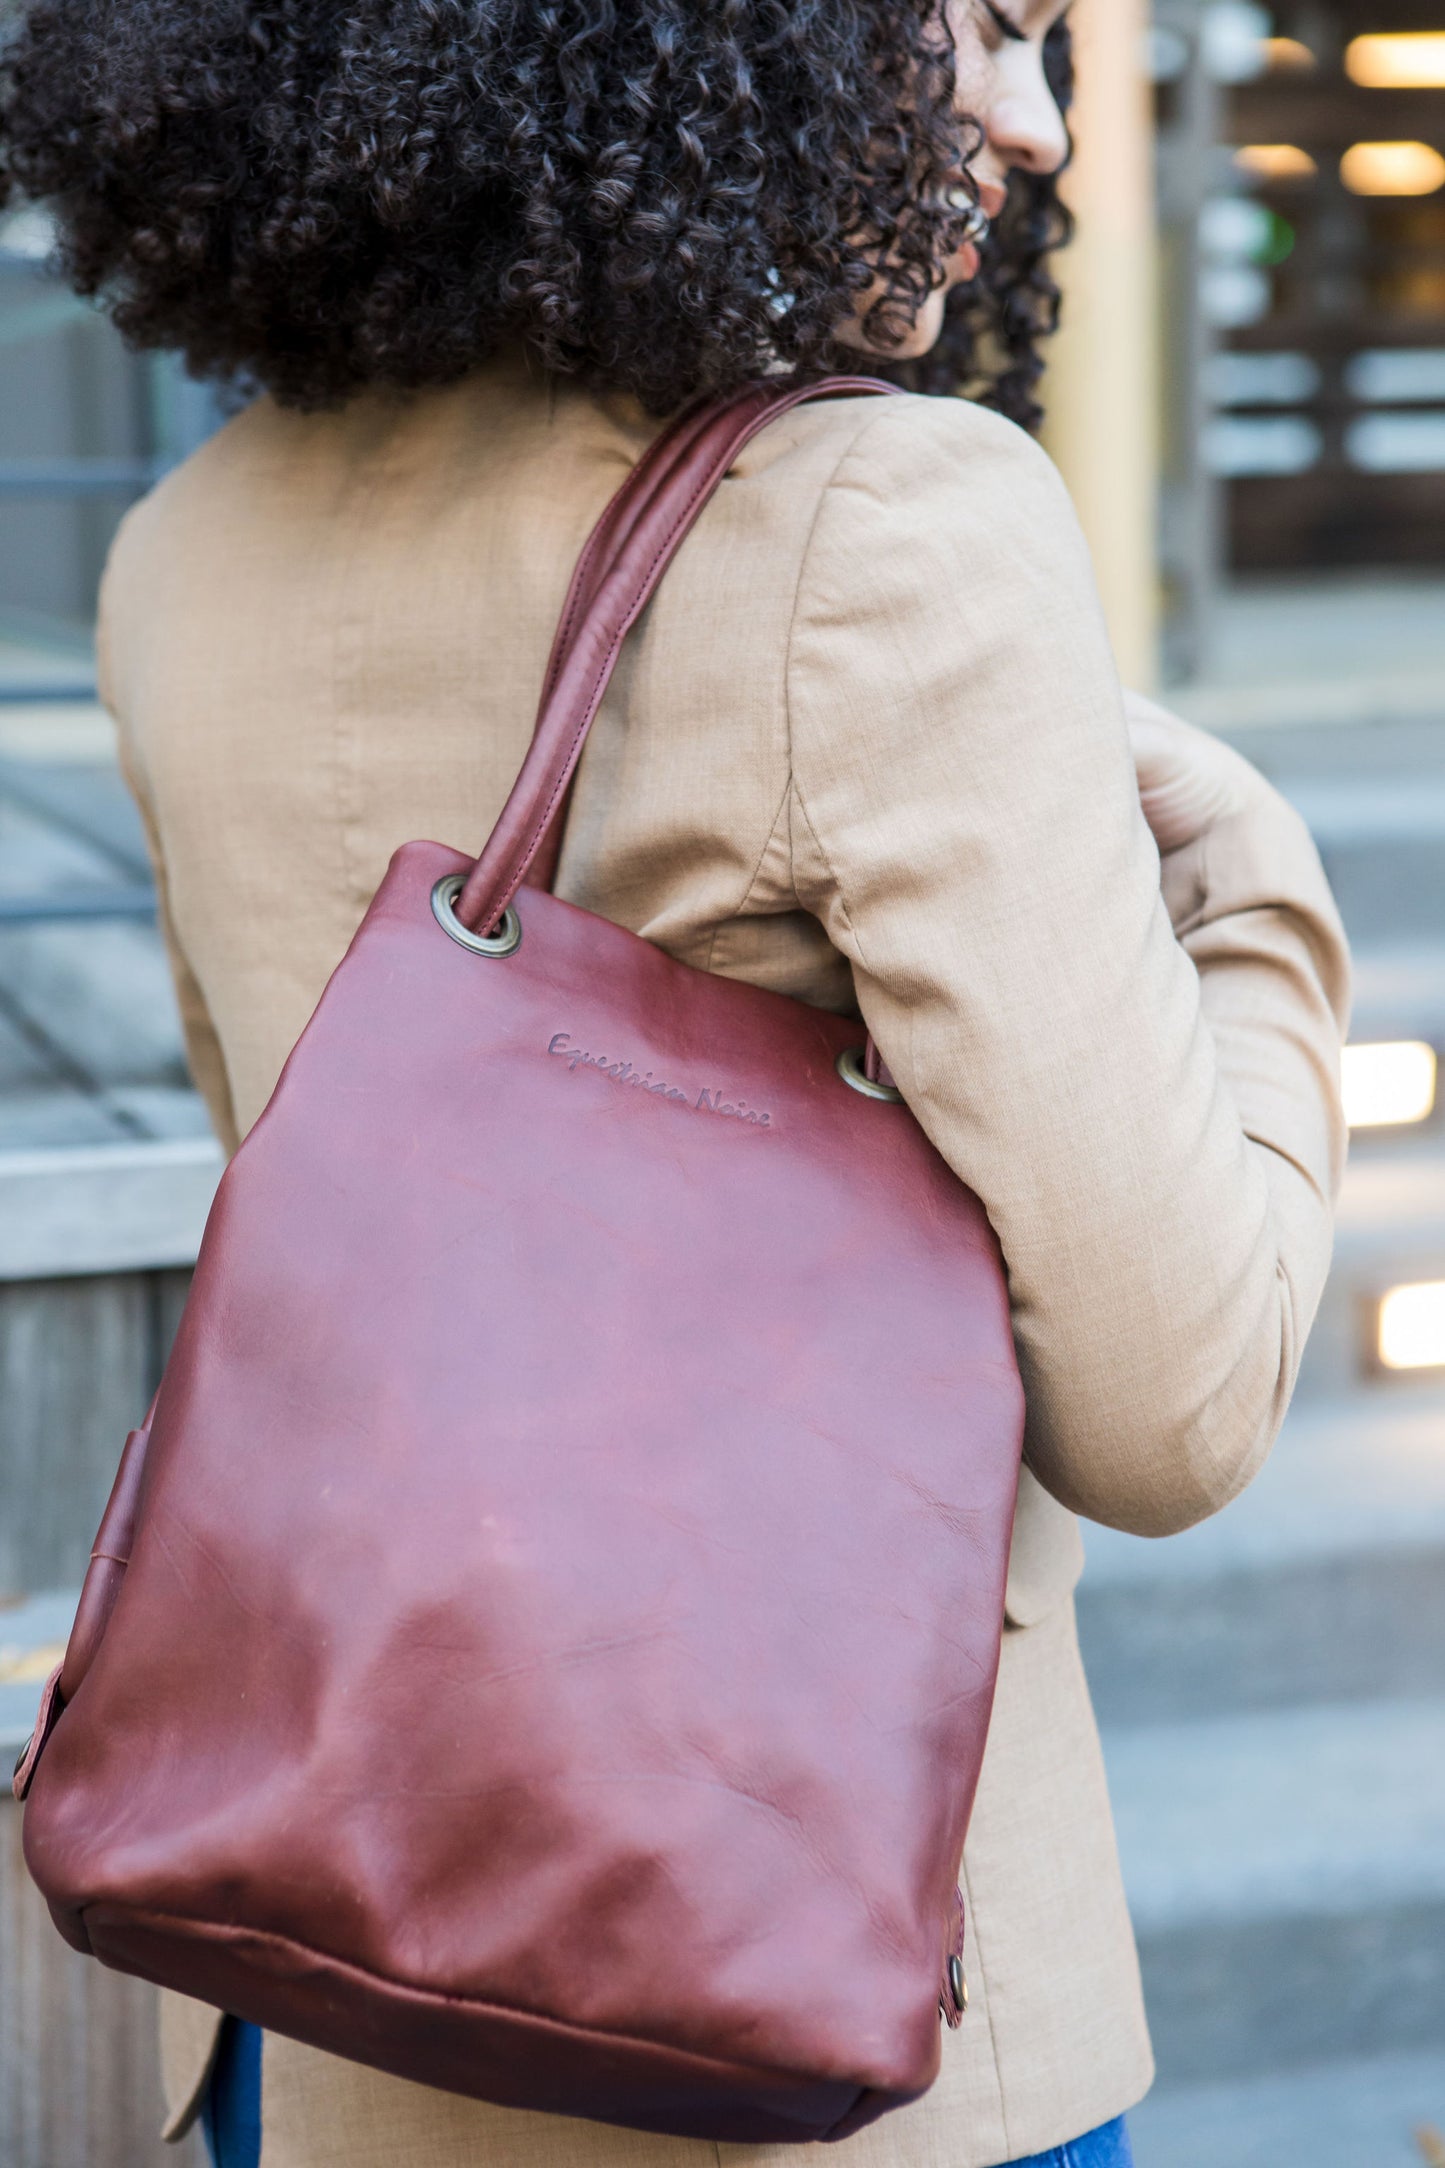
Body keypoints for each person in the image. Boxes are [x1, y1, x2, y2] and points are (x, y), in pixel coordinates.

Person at [0, 4, 1349, 2167]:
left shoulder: (184, 550)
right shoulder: (883, 523)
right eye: (979, 28)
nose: (1031, 115)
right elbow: (1176, 1406)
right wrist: (1263, 898)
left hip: (305, 1983)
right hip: (782, 2008)